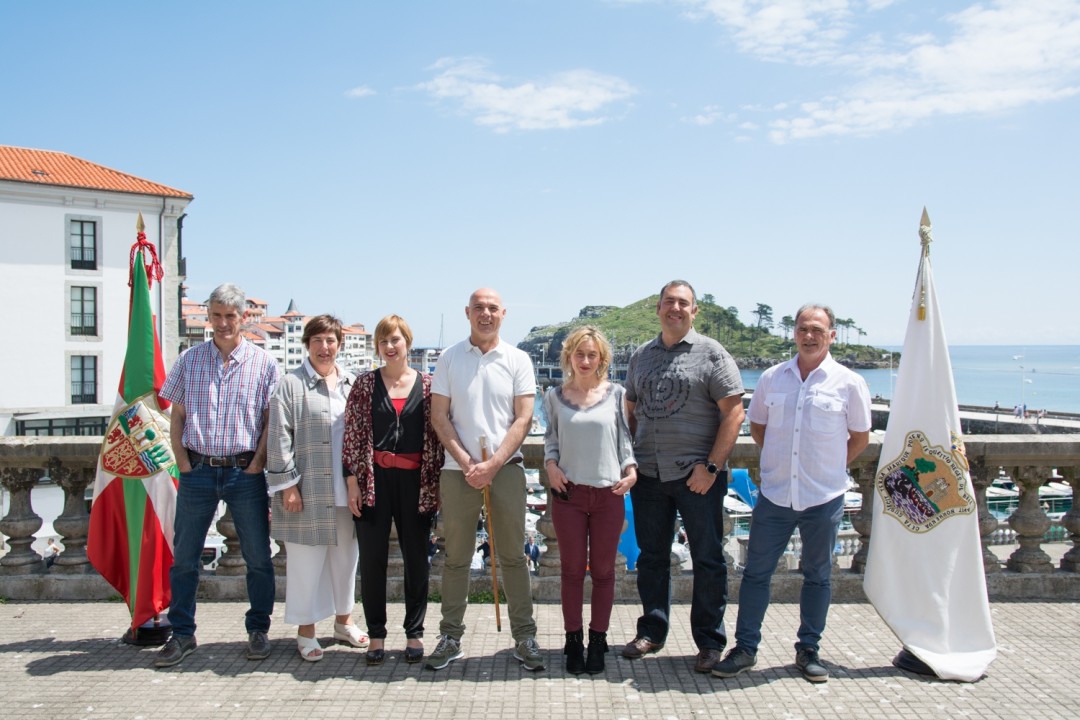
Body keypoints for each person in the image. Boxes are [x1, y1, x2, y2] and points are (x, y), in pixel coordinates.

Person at [711, 304, 870, 683]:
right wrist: (783, 464)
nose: (809, 336)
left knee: (818, 576)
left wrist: (827, 468)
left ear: (832, 335)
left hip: (824, 498)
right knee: (756, 574)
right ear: (794, 333)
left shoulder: (849, 383)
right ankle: (745, 648)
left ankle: (809, 649)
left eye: (817, 329)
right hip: (776, 495)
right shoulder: (772, 378)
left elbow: (860, 437)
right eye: (803, 329)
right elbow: (759, 428)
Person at [622, 280, 745, 674]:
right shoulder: (641, 356)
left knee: (707, 559)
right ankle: (652, 631)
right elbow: (630, 408)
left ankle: (709, 641)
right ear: (658, 308)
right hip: (649, 474)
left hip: (697, 477)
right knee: (652, 558)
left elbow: (734, 413)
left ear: (694, 311)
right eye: (669, 302)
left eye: (683, 303)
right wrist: (632, 456)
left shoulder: (712, 354)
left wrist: (711, 467)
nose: (675, 308)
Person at [155, 283, 280, 668]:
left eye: (230, 316)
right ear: (208, 317)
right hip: (198, 471)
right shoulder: (189, 360)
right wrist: (183, 462)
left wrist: (257, 463)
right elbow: (176, 415)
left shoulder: (264, 363)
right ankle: (182, 633)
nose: (223, 323)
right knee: (185, 558)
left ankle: (258, 629)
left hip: (245, 472)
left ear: (243, 317)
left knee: (258, 557)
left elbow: (270, 421)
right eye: (217, 316)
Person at [426, 288, 543, 671]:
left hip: (505, 469)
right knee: (456, 557)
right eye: (479, 307)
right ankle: (450, 637)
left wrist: (492, 464)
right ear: (468, 313)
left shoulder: (518, 359)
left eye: (493, 308)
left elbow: (523, 418)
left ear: (503, 313)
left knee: (513, 557)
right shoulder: (449, 357)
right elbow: (439, 416)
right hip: (457, 470)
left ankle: (524, 636)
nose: (486, 314)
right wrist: (466, 462)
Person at [342, 314, 444, 665]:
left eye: (395, 339)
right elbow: (352, 435)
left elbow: (439, 436)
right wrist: (352, 481)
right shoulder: (364, 385)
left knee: (417, 560)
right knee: (372, 561)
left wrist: (438, 484)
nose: (389, 346)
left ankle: (414, 632)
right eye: (383, 341)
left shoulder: (428, 386)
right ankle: (377, 634)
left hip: (417, 483)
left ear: (408, 343)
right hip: (374, 482)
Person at [266, 314, 368, 662]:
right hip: (307, 490)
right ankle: (306, 631)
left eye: (331, 340)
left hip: (347, 490)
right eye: (318, 341)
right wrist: (288, 486)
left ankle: (344, 622)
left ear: (340, 344)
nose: (325, 348)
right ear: (307, 344)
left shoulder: (352, 383)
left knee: (346, 562)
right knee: (305, 565)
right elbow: (279, 437)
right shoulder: (290, 385)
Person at [543, 326, 637, 675]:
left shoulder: (616, 394)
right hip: (569, 494)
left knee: (603, 572)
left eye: (592, 355)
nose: (585, 360)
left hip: (608, 493)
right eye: (579, 354)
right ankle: (573, 641)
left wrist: (631, 470)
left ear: (602, 359)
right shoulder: (554, 397)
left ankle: (598, 640)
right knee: (570, 571)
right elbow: (551, 440)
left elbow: (624, 441)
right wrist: (550, 465)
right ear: (569, 356)